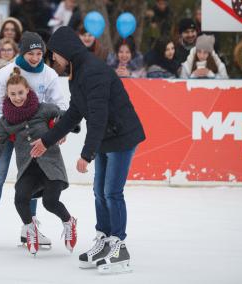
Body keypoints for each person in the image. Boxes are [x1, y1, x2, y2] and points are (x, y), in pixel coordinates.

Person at [30, 26, 145, 273]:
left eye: (54, 55)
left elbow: (98, 115)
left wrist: (86, 154)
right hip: (106, 136)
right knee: (99, 191)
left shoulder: (93, 72)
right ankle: (104, 239)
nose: (53, 61)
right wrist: (47, 140)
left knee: (112, 192)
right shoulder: (77, 72)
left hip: (122, 136)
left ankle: (119, 247)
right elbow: (74, 113)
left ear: (65, 51)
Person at [0, 31, 66, 249]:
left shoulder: (49, 74)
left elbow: (59, 106)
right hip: (7, 132)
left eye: (39, 53)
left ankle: (29, 230)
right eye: (30, 54)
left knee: (32, 178)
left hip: (35, 136)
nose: (35, 58)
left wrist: (58, 130)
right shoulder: (6, 72)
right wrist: (6, 130)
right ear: (22, 52)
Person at [0, 67, 77, 255]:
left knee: (50, 202)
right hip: (28, 170)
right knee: (20, 199)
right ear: (7, 95)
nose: (17, 97)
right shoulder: (5, 122)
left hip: (51, 166)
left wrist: (61, 127)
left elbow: (66, 117)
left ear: (28, 90)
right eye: (13, 94)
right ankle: (30, 229)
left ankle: (69, 222)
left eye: (20, 92)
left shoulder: (42, 109)